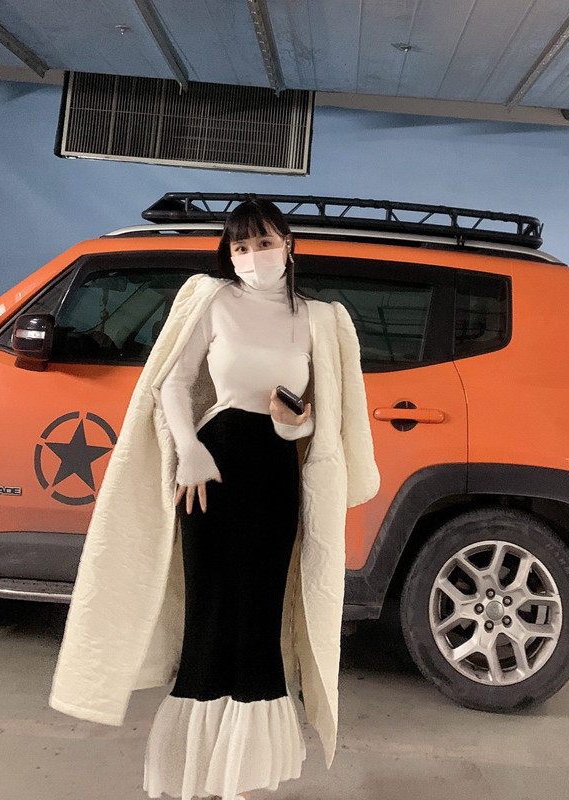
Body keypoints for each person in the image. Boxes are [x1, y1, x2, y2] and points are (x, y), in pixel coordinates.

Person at [143, 198, 315, 800]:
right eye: (241, 246)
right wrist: (189, 449)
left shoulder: (315, 318)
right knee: (210, 609)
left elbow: (315, 412)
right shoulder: (214, 300)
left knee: (260, 614)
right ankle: (192, 774)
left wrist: (296, 422)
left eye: (263, 243)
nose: (252, 256)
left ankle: (240, 775)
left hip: (275, 474)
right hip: (211, 471)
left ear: (287, 244)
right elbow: (172, 381)